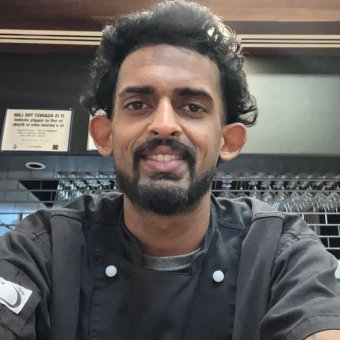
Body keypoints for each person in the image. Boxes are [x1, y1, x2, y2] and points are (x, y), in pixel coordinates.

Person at [0, 1, 339, 339]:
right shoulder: (43, 248)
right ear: (104, 135)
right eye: (137, 105)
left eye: (192, 107)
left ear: (228, 141)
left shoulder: (281, 251)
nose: (164, 125)